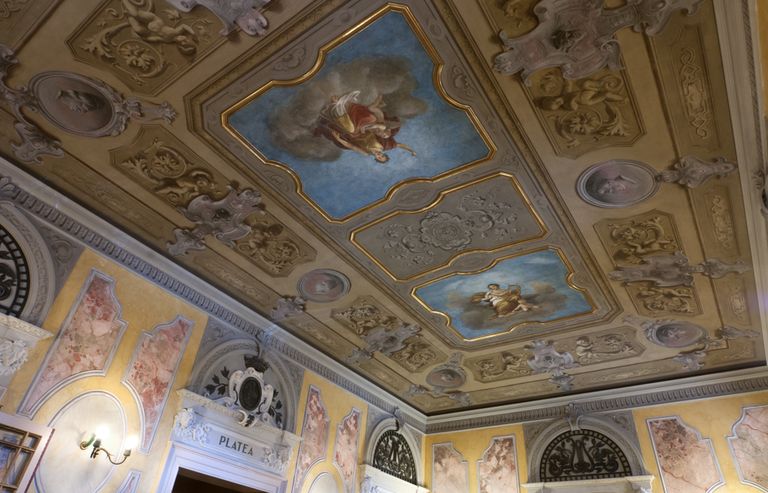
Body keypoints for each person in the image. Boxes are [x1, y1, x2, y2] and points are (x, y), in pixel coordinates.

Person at [314, 90, 416, 163]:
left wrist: (338, 139)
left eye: (379, 158)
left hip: (354, 135)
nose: (380, 156)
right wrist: (412, 151)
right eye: (382, 156)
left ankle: (335, 109)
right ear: (384, 154)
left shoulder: (366, 153)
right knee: (364, 122)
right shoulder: (384, 145)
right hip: (365, 128)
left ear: (376, 158)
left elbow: (351, 146)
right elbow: (399, 145)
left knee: (350, 129)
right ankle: (339, 104)